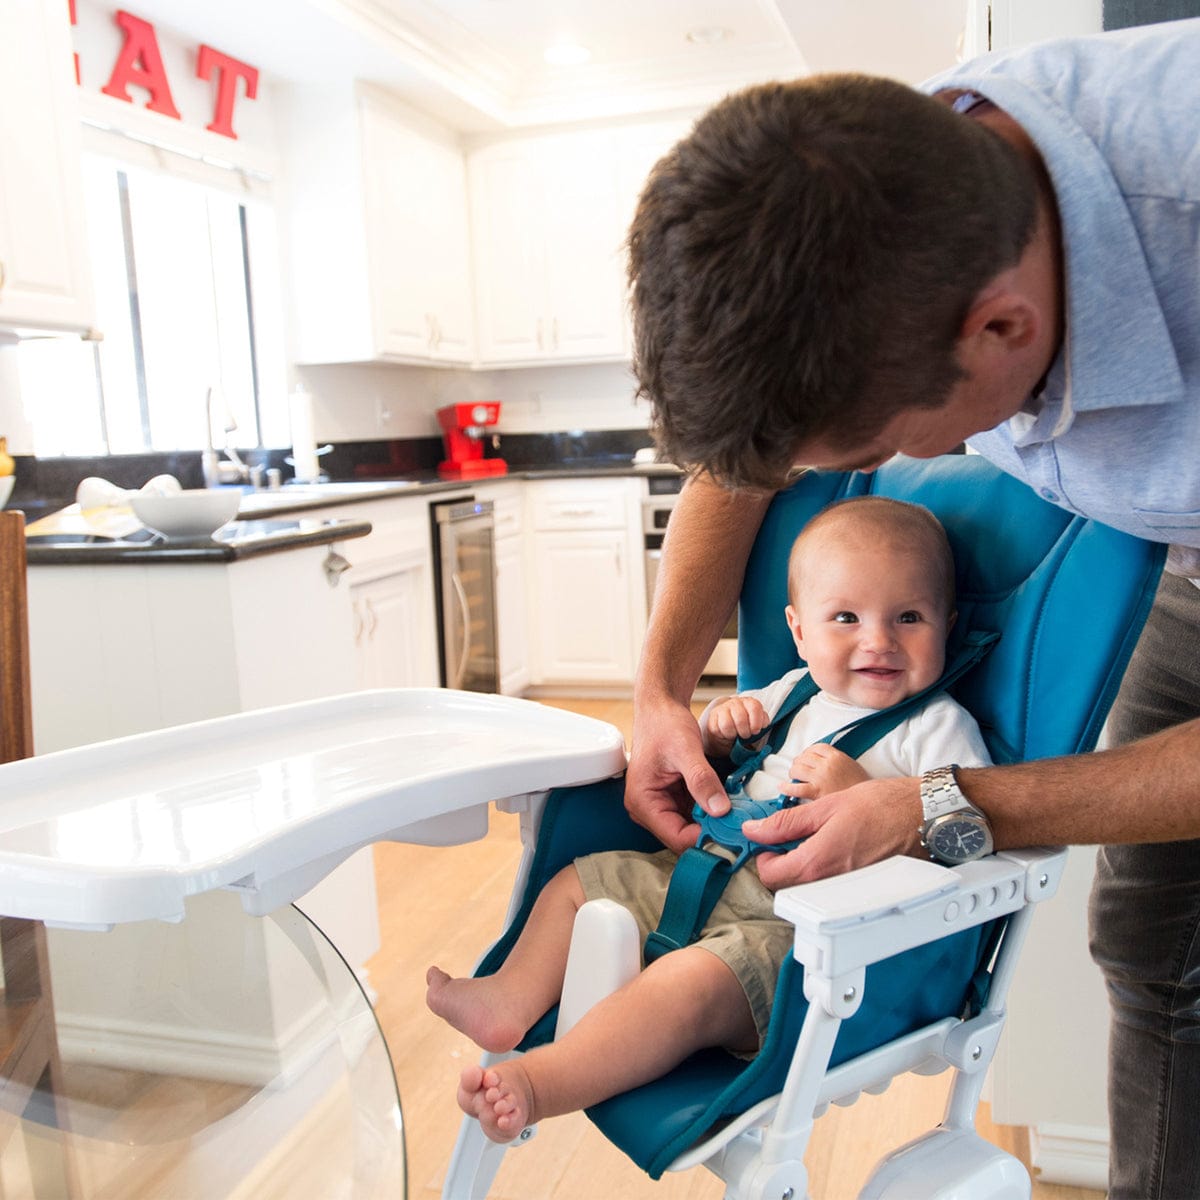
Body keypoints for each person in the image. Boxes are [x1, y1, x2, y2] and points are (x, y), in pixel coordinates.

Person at [623, 19, 1200, 1199]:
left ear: (1003, 331)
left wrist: (938, 803)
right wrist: (660, 688)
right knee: (1154, 935)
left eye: (888, 444)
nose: (894, 464)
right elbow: (751, 455)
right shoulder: (903, 196)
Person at [427, 497, 990, 1142]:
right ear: (800, 631)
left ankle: (540, 1082)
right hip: (703, 871)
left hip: (799, 937)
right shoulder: (795, 690)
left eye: (909, 618)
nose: (878, 641)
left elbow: (962, 843)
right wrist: (723, 728)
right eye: (845, 617)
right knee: (580, 885)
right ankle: (510, 998)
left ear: (947, 623)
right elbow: (727, 740)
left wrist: (862, 792)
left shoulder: (939, 728)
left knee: (685, 986)